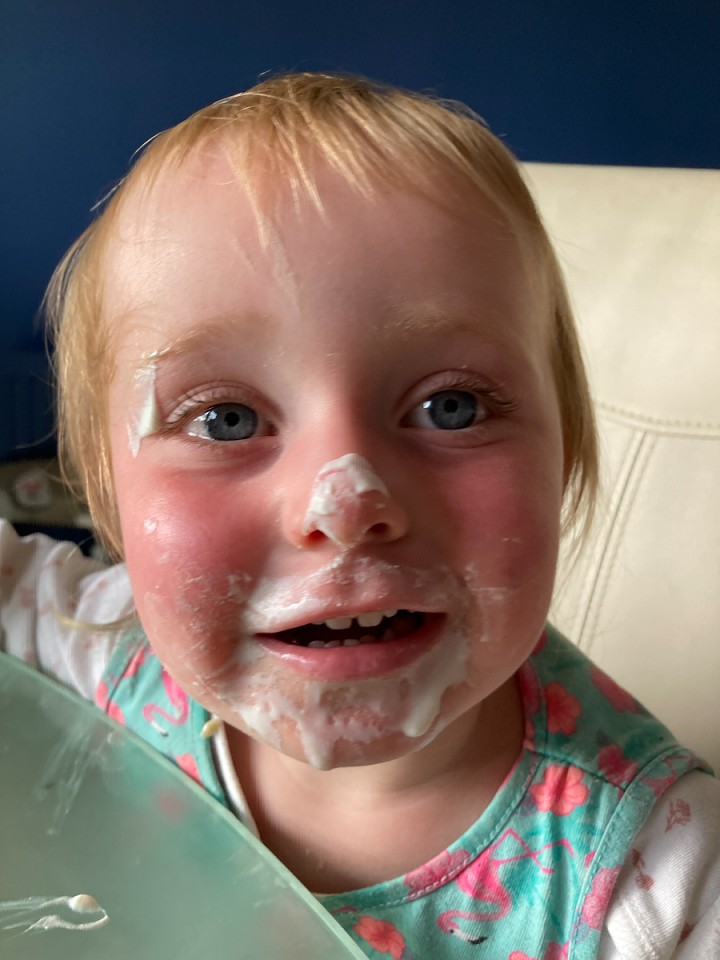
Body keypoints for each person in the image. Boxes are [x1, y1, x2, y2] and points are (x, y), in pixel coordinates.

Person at [1, 72, 718, 959]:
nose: (344, 504)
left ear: (561, 457)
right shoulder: (108, 652)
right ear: (108, 494)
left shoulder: (664, 881)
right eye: (226, 421)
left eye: (451, 407)